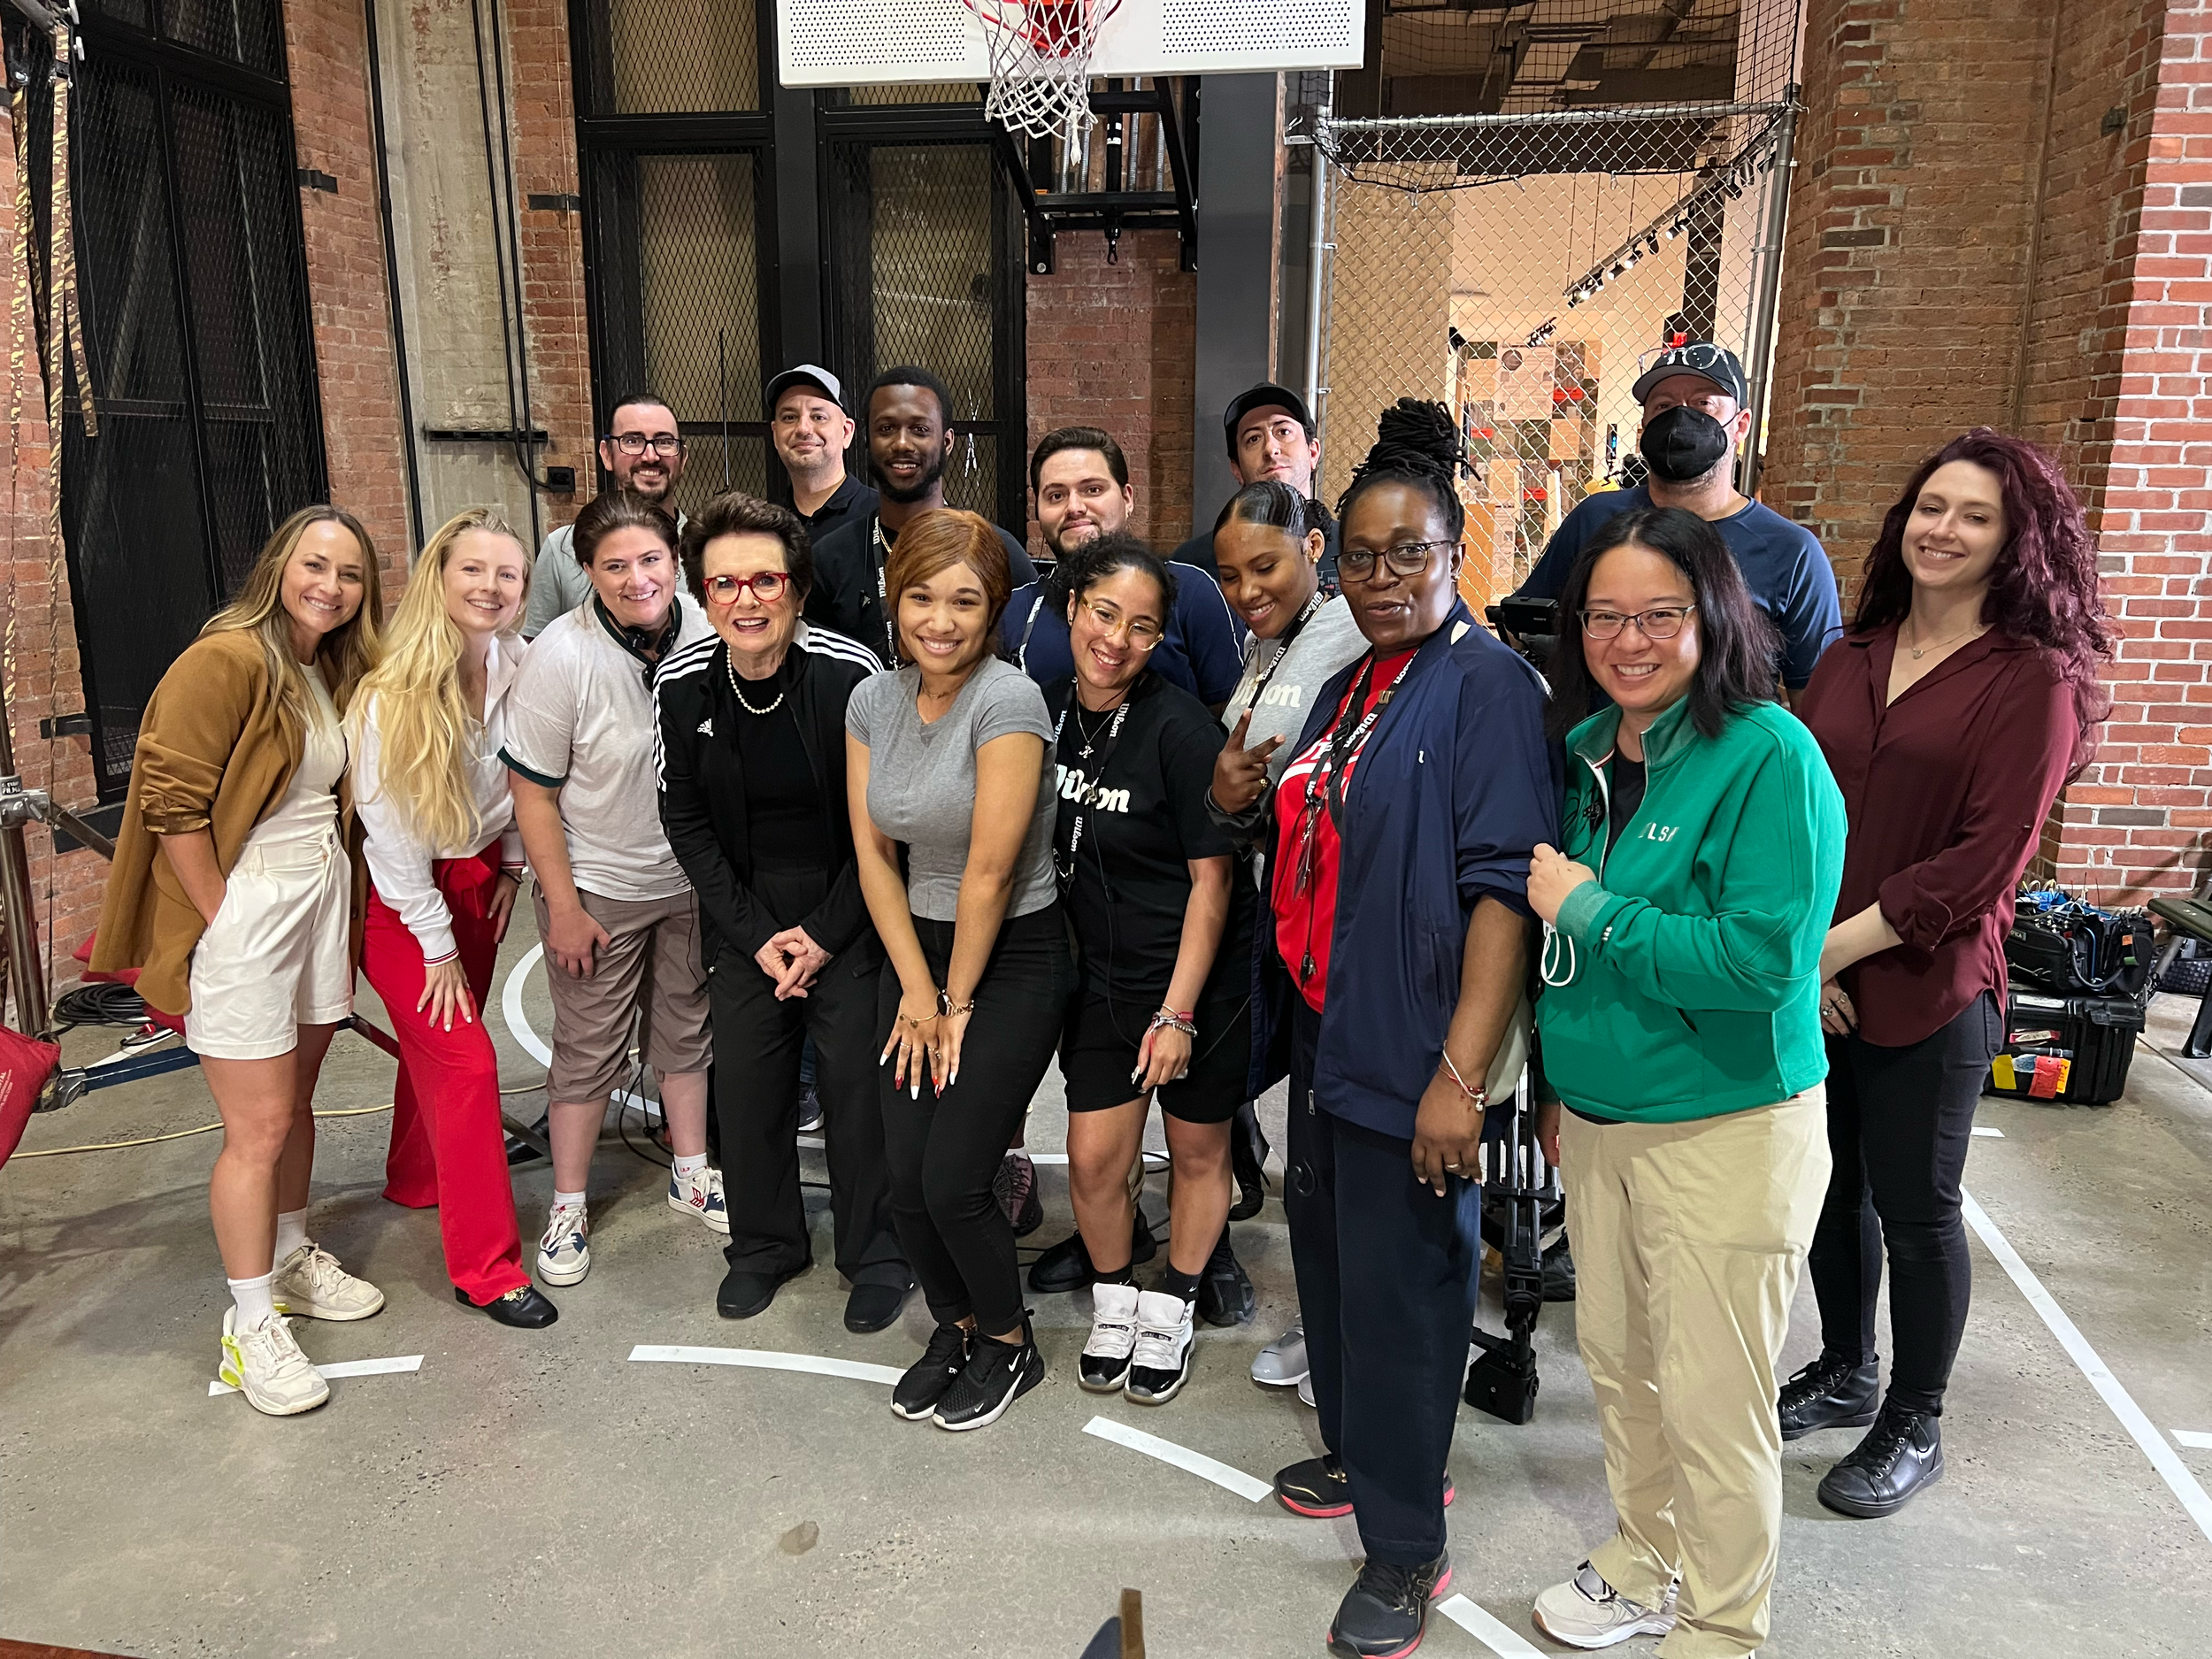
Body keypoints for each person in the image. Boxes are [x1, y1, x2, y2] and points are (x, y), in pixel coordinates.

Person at [1243, 402, 1554, 1658]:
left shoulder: (1485, 687)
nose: (1382, 577)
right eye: (1360, 556)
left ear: (1454, 551)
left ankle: (1407, 1541)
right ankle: (1368, 1452)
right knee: (1329, 1260)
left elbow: (1500, 891)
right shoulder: (1361, 677)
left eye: (1408, 552)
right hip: (1332, 1024)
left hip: (1417, 1046)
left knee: (1410, 1284)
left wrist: (1459, 1076)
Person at [1525, 506, 1845, 1659]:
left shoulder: (1768, 755)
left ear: (1714, 614)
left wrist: (1591, 908)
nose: (1630, 637)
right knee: (1619, 1361)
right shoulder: (1585, 752)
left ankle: (1722, 1624)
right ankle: (1646, 1558)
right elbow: (1565, 968)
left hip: (1728, 1123)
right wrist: (1563, 1086)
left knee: (1714, 1399)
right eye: (1605, 614)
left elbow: (1758, 964)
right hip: (1604, 1121)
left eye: (1660, 613)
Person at [1789, 430, 2113, 1518]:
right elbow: (1796, 810)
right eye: (1931, 507)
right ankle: (1846, 1369)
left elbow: (1987, 856)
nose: (1943, 530)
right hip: (1819, 978)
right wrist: (1807, 947)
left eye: (1974, 516)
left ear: (2015, 540)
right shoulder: (1850, 653)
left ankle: (1914, 1419)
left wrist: (1831, 950)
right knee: (1833, 1192)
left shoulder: (2033, 681)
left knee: (1917, 1209)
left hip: (1929, 988)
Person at [92, 507, 387, 1417]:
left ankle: (291, 1258)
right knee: (254, 1128)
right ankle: (249, 1323)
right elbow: (172, 799)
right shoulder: (226, 658)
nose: (330, 586)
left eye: (349, 575)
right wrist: (221, 920)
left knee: (296, 1104)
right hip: (250, 905)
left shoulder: (324, 665)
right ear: (278, 566)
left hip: (316, 898)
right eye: (315, 565)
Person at [655, 489, 913, 1333]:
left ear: (798, 588)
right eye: (723, 584)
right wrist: (759, 934)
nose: (744, 600)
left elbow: (884, 825)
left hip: (851, 901)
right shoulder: (681, 681)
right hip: (746, 913)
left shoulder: (852, 674)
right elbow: (685, 820)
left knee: (857, 1093)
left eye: (764, 580)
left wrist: (827, 936)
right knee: (751, 1089)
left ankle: (877, 1251)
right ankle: (765, 1246)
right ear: (702, 594)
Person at [846, 509, 1074, 1432]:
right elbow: (872, 856)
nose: (939, 620)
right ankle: (960, 1321)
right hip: (919, 954)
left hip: (1012, 953)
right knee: (900, 1173)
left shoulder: (1009, 699)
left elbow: (988, 869)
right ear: (896, 599)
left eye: (965, 601)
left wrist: (955, 1002)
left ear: (992, 612)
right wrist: (914, 987)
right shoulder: (873, 700)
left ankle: (1011, 1346)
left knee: (954, 1178)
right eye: (921, 597)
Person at [1036, 534, 1256, 1407]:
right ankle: (1117, 1292)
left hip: (1193, 979)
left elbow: (1213, 883)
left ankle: (1177, 1298)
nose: (1116, 640)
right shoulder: (1045, 710)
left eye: (1141, 626)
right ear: (1070, 608)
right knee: (1094, 1160)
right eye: (1102, 615)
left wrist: (1176, 1015)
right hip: (1097, 978)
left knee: (1200, 1151)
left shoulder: (1179, 728)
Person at [503, 489, 719, 1286]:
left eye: (651, 559)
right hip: (597, 883)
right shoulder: (561, 655)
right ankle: (567, 1202)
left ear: (675, 558)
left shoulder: (705, 623)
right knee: (589, 1049)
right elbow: (532, 792)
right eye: (615, 565)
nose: (637, 579)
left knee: (686, 1028)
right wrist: (561, 907)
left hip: (689, 878)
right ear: (587, 571)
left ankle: (691, 1169)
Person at [351, 509, 557, 1330]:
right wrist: (433, 941)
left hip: (475, 879)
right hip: (405, 902)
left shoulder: (522, 664)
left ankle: (413, 1175)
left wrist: (509, 864)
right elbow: (390, 832)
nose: (491, 587)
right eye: (473, 570)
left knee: (433, 1059)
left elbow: (523, 777)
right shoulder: (392, 693)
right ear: (439, 577)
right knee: (468, 1065)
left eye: (507, 575)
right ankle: (487, 1266)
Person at [1203, 478, 1371, 1398]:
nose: (1244, 590)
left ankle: (1358, 1340)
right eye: (1229, 575)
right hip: (1289, 925)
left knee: (1346, 1152)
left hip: (1347, 937)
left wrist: (1243, 793)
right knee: (1312, 1153)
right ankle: (1328, 1322)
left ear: (1314, 545)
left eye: (1263, 566)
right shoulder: (1271, 646)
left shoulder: (1352, 636)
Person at [1509, 343, 1840, 696]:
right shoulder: (1596, 519)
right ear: (1644, 426)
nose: (1681, 417)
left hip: (1727, 745)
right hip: (1598, 744)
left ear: (1741, 424)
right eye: (1664, 406)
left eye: (1703, 403)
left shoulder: (1790, 551)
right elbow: (1525, 631)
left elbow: (1814, 698)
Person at [1002, 426, 1244, 709]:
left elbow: (1230, 718)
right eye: (1056, 496)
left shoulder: (1192, 592)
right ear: (1038, 513)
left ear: (1127, 498)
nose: (1074, 507)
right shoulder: (1014, 612)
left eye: (1093, 489)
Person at [805, 366, 1035, 664]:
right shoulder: (829, 558)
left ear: (947, 442)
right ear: (866, 440)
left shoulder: (997, 551)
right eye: (886, 429)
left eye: (920, 429)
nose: (902, 444)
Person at [525, 391, 689, 639]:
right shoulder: (561, 548)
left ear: (683, 457)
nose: (650, 456)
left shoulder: (708, 545)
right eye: (632, 441)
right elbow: (535, 646)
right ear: (606, 454)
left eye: (664, 442)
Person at [1172, 382, 1341, 585]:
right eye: (1253, 439)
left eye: (1283, 432)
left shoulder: (1353, 547)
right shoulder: (1193, 565)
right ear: (1236, 469)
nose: (1270, 448)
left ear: (1312, 452)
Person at [767, 363, 878, 546]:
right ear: (775, 434)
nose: (803, 429)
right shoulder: (765, 528)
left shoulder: (881, 518)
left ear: (846, 432)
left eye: (818, 417)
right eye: (789, 417)